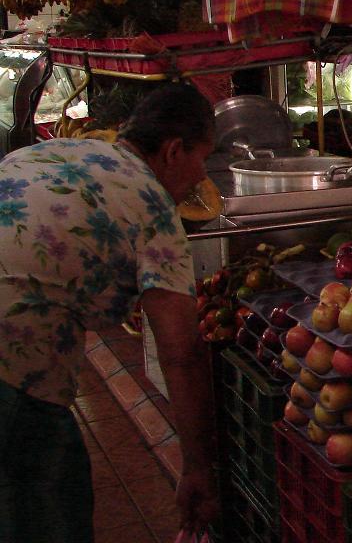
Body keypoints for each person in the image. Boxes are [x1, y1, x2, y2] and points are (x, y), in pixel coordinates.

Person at [0, 82, 220, 542]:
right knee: (49, 510)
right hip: (13, 371)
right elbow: (180, 353)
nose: (203, 176)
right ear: (175, 150)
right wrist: (198, 467)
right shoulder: (153, 207)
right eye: (204, 158)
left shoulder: (53, 152)